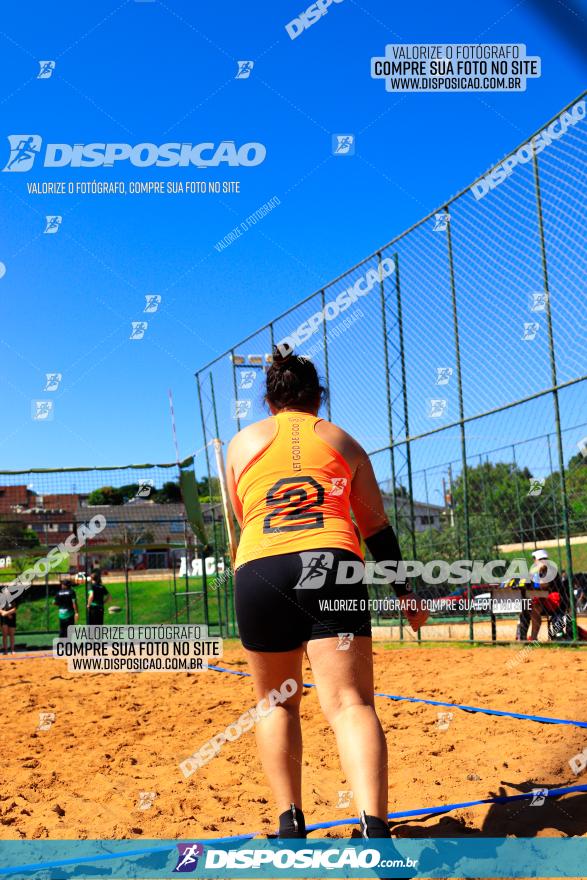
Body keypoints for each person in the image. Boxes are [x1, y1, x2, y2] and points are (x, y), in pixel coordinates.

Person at [226, 349, 428, 840]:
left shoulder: (240, 444)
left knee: (276, 703)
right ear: (319, 398)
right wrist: (406, 592)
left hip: (260, 568)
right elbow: (376, 528)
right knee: (351, 704)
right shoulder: (343, 441)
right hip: (331, 563)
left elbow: (242, 520)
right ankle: (374, 825)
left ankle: (290, 823)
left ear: (268, 402)